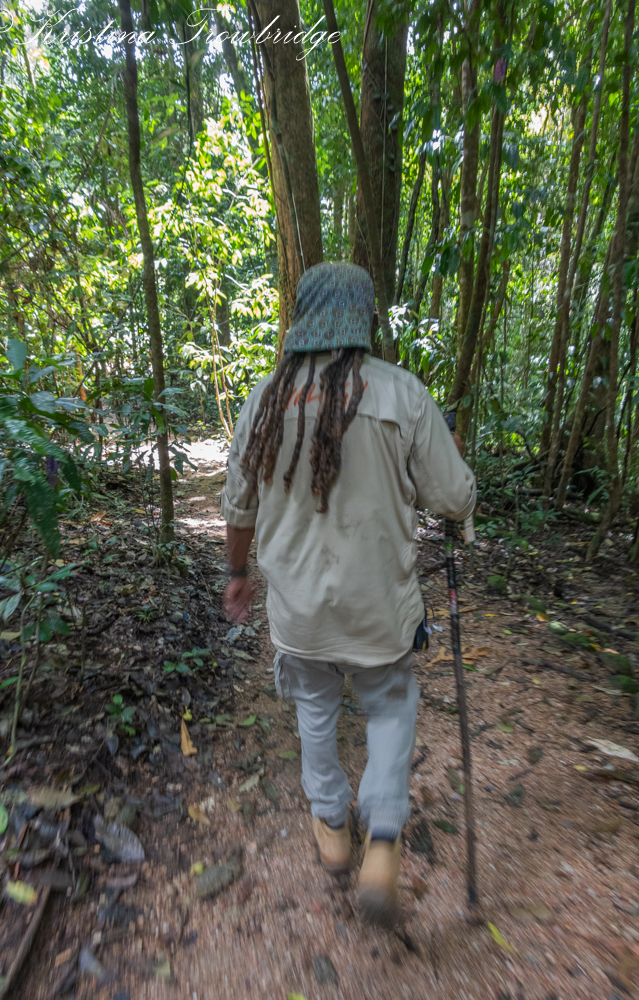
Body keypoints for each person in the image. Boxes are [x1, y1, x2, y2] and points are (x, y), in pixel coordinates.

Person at [221, 262, 475, 925]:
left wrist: (236, 573)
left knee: (314, 706)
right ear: (363, 319)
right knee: (390, 706)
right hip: (378, 609)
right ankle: (383, 839)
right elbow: (453, 497)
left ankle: (333, 828)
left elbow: (239, 508)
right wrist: (449, 448)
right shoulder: (400, 392)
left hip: (299, 613)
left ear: (303, 318)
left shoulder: (265, 399)